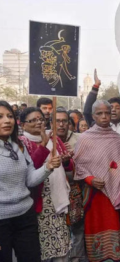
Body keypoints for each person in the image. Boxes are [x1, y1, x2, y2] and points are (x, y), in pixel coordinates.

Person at [74, 100, 120, 262]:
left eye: (107, 113)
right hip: (94, 195)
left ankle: (114, 256)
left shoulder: (116, 139)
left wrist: (115, 180)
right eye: (99, 113)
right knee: (94, 227)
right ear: (93, 116)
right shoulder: (85, 138)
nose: (104, 116)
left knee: (113, 225)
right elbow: (78, 165)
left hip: (113, 194)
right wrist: (90, 179)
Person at [0, 101, 61, 262]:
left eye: (9, 116)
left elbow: (29, 179)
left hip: (25, 216)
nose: (6, 121)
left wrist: (47, 167)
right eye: (0, 117)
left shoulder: (18, 146)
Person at [19, 107, 74, 262]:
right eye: (33, 120)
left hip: (57, 198)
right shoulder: (22, 143)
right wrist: (43, 145)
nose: (38, 123)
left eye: (41, 119)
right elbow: (29, 171)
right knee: (42, 248)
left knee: (61, 247)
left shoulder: (54, 139)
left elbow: (68, 167)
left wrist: (67, 160)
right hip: (39, 202)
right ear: (23, 125)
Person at [53, 107, 86, 262]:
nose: (61, 124)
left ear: (69, 123)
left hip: (76, 191)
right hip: (54, 195)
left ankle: (77, 258)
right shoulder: (46, 139)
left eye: (64, 121)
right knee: (59, 230)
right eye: (57, 121)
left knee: (78, 228)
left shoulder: (80, 138)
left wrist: (73, 160)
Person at [83, 69, 120, 146]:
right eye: (111, 108)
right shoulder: (99, 125)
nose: (113, 110)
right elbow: (87, 112)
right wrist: (96, 86)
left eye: (117, 108)